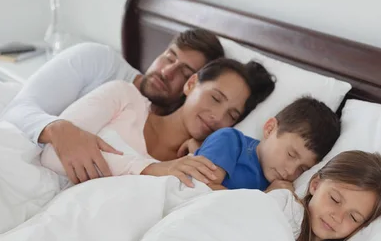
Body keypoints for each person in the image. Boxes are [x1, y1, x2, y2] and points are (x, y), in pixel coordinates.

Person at [2, 29, 225, 178]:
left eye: (184, 72)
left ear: (192, 85)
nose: (167, 72)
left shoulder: (173, 140)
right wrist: (58, 129)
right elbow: (16, 109)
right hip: (15, 157)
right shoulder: (99, 61)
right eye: (169, 57)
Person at [40, 58, 276, 186]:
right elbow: (52, 153)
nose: (218, 117)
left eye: (231, 116)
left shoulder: (193, 169)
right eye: (215, 98)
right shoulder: (124, 97)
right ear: (191, 84)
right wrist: (151, 169)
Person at [192, 96, 341, 192]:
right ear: (270, 129)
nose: (290, 171)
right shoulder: (230, 141)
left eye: (302, 169)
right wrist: (265, 197)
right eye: (291, 154)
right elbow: (202, 191)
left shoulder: (281, 188)